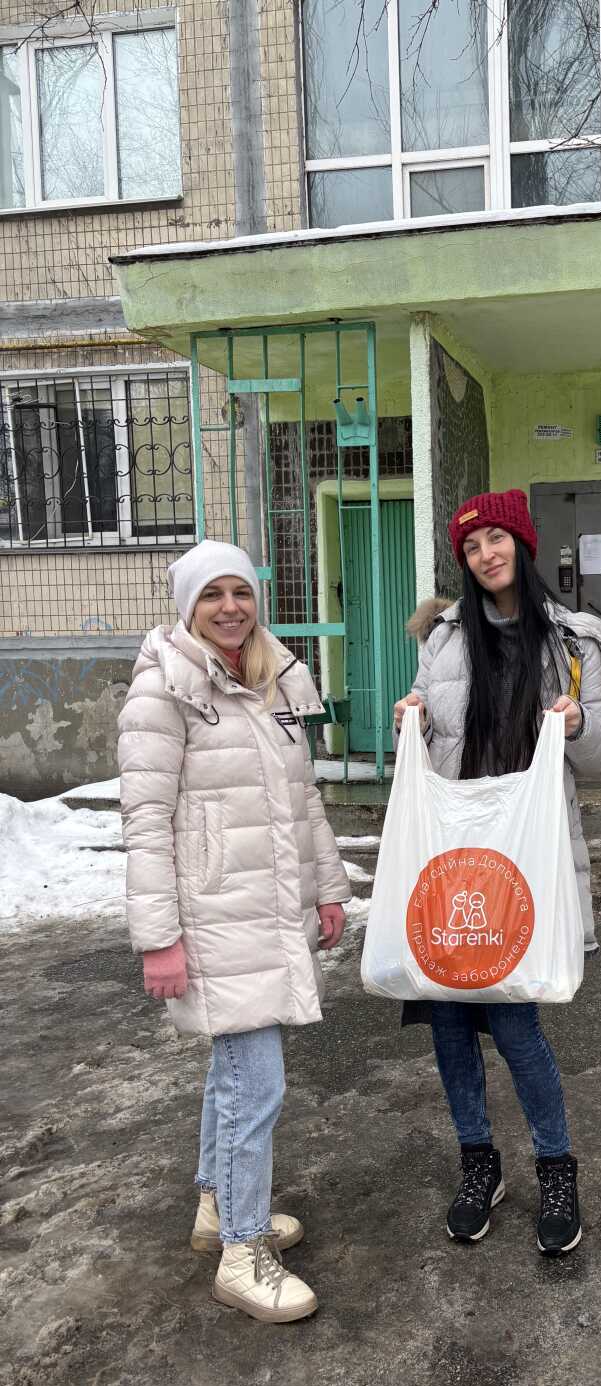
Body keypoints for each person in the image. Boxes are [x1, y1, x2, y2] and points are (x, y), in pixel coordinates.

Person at [393, 490, 601, 1255]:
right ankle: (479, 1162)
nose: (486, 554)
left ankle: (557, 1165)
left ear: (522, 544)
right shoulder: (441, 637)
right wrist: (412, 715)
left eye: (497, 539)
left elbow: (598, 751)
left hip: (521, 854)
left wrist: (573, 724)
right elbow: (429, 726)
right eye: (472, 547)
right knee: (448, 1017)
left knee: (515, 1019)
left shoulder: (572, 636)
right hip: (453, 850)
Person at [117, 540, 351, 1324]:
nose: (229, 607)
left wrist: (327, 887)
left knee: (233, 1070)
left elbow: (302, 800)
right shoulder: (163, 690)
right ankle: (243, 1251)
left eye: (240, 592)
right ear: (186, 604)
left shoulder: (272, 678)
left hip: (267, 905)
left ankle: (217, 1205)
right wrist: (158, 936)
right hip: (214, 913)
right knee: (258, 1080)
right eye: (211, 594)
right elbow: (146, 821)